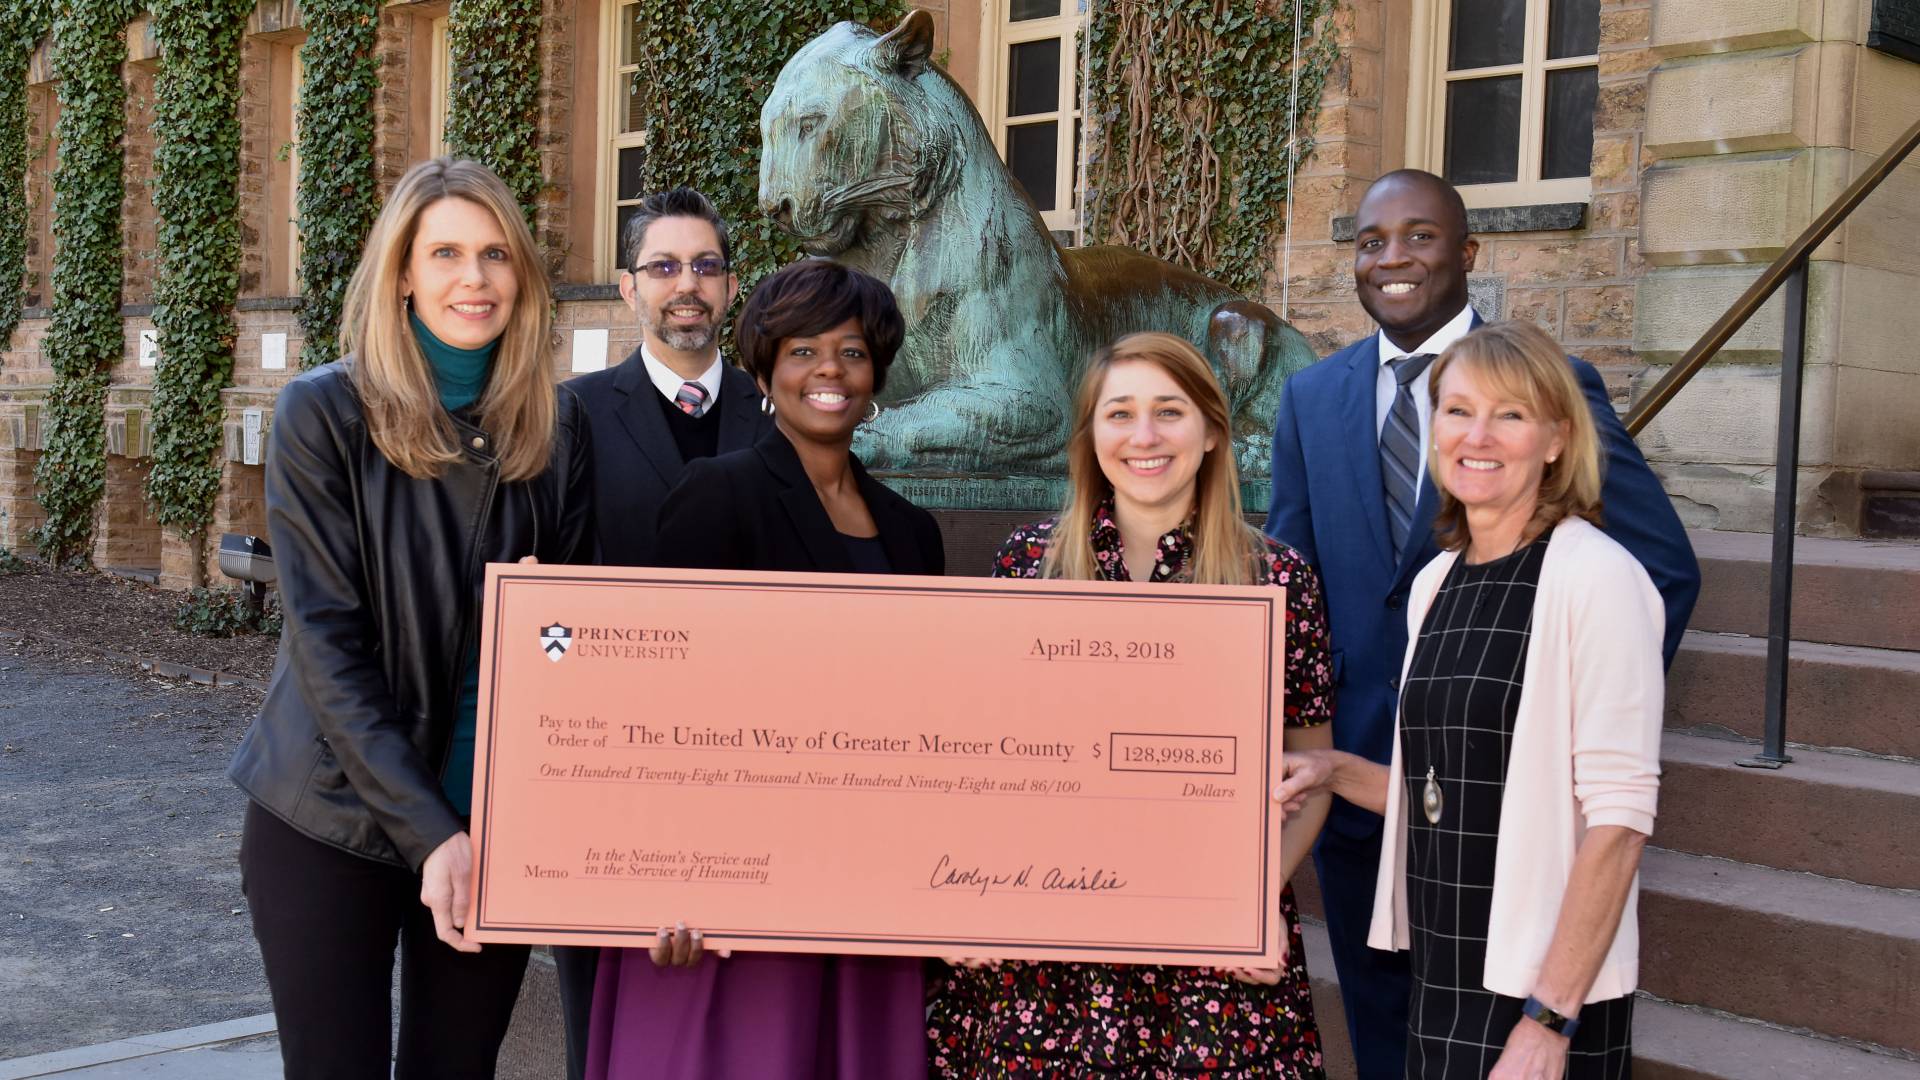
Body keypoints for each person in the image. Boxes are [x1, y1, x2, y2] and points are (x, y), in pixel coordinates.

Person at [1262, 168, 1698, 1078]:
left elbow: (1662, 569)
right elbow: (1289, 583)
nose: (1393, 258)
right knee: (1393, 1040)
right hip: (1365, 784)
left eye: (1420, 236)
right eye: (1371, 241)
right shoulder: (1313, 397)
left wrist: (1552, 725)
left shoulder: (1552, 386)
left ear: (1467, 254)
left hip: (1518, 814)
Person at [227, 157, 595, 1078]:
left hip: (493, 818)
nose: (474, 279)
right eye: (445, 254)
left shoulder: (556, 430)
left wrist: (562, 628)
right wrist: (432, 834)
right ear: (402, 273)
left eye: (495, 254)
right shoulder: (326, 413)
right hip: (331, 815)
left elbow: (574, 642)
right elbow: (328, 646)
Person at [925, 332, 1334, 1078]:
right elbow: (978, 759)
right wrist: (967, 894)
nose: (1144, 437)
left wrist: (1248, 899)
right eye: (1120, 414)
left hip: (1208, 959)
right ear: (1090, 436)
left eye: (1169, 412)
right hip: (1047, 954)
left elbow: (1309, 771)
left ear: (1213, 431)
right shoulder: (1028, 566)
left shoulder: (1276, 578)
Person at [583, 258, 941, 1079]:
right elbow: (663, 705)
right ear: (764, 371)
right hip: (733, 891)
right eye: (803, 351)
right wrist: (667, 875)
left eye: (852, 353)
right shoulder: (720, 493)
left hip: (865, 880)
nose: (829, 372)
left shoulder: (911, 532)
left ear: (876, 373)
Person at [557, 185, 773, 1080]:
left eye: (706, 266)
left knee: (743, 1007)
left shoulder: (778, 413)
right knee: (600, 1010)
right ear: (627, 288)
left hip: (754, 764)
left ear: (729, 288)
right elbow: (552, 596)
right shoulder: (575, 413)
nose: (688, 284)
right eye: (665, 267)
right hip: (614, 761)